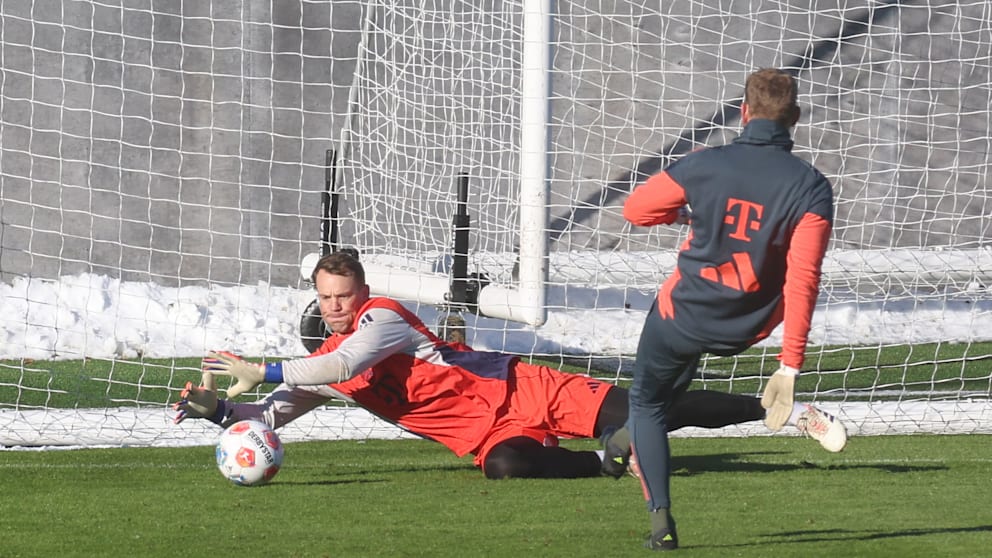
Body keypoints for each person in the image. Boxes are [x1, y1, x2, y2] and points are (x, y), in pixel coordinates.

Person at [174, 250, 845, 481]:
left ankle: (778, 410)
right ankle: (605, 461)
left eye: (344, 294)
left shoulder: (379, 323)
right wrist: (223, 415)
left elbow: (331, 366)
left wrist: (261, 371)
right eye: (326, 298)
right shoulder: (325, 360)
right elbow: (283, 410)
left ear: (361, 292)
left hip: (524, 389)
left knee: (653, 409)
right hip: (492, 435)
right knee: (506, 468)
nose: (338, 306)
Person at [605, 68, 837, 550]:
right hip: (744, 328)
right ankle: (620, 445)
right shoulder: (812, 187)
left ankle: (661, 524)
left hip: (682, 317)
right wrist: (789, 365)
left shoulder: (703, 164)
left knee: (647, 402)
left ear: (743, 112)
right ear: (794, 117)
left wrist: (686, 211)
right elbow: (804, 278)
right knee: (668, 389)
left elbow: (635, 211)